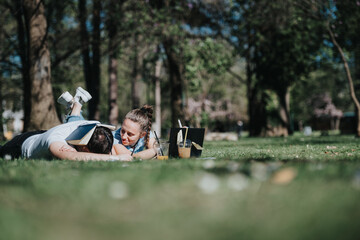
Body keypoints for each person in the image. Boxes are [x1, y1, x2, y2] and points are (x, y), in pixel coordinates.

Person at [0, 87, 132, 162]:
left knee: (74, 117)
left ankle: (75, 105)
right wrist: (117, 159)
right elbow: (73, 156)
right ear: (84, 147)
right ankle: (75, 104)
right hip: (20, 146)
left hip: (44, 134)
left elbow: (114, 147)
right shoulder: (56, 143)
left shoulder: (95, 127)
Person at [59, 88, 157, 160]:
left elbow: (157, 148)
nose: (124, 136)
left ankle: (72, 105)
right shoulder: (115, 140)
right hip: (90, 137)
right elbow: (133, 158)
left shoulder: (147, 135)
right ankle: (77, 105)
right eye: (123, 130)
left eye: (130, 134)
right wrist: (154, 151)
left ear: (142, 134)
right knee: (76, 128)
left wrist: (156, 149)